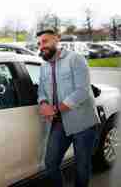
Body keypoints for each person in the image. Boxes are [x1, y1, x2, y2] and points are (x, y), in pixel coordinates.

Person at [37, 29, 99, 187]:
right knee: (50, 163)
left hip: (83, 123)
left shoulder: (75, 59)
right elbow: (41, 91)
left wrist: (55, 109)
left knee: (81, 167)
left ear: (57, 39)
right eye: (39, 43)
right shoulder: (43, 66)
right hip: (59, 123)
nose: (41, 46)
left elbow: (82, 91)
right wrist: (43, 103)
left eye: (45, 41)